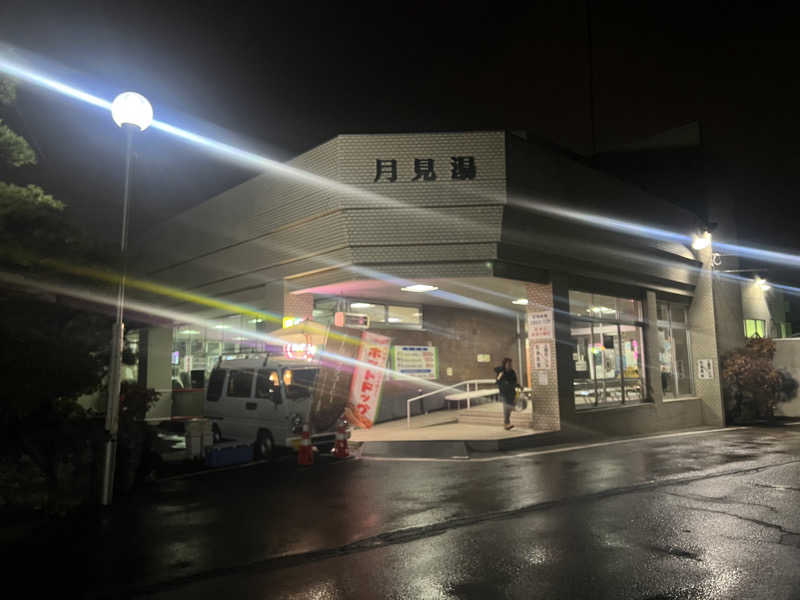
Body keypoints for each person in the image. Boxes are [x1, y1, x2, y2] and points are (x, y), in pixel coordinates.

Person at [495, 357, 518, 430]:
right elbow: (497, 381)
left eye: (511, 364)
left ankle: (507, 423)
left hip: (511, 392)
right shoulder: (501, 372)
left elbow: (514, 382)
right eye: (508, 364)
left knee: (509, 408)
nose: (510, 365)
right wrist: (503, 382)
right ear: (504, 364)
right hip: (504, 393)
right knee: (506, 407)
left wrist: (519, 386)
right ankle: (506, 423)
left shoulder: (512, 372)